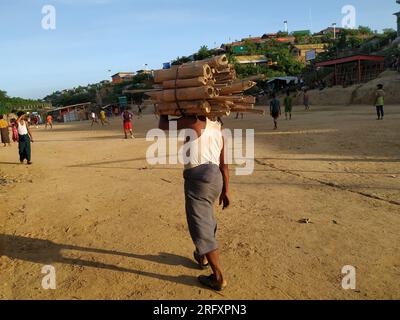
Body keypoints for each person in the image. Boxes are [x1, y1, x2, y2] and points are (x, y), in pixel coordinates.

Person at [159, 115, 230, 291]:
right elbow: (224, 165)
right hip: (216, 179)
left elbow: (163, 125)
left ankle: (218, 277)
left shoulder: (195, 122)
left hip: (198, 179)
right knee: (206, 217)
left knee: (199, 223)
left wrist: (163, 110)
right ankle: (202, 257)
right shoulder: (219, 130)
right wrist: (226, 190)